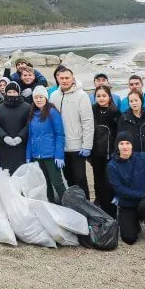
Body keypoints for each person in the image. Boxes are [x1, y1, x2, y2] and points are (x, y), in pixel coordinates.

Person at [107, 134, 145, 248]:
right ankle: (135, 222)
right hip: (127, 204)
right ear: (117, 146)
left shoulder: (144, 159)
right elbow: (120, 191)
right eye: (121, 143)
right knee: (129, 239)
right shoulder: (112, 166)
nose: (125, 146)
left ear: (132, 145)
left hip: (143, 203)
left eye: (128, 143)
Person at [48, 66, 95, 198]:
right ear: (58, 78)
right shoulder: (54, 96)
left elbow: (88, 122)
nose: (64, 80)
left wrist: (87, 145)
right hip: (61, 146)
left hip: (77, 146)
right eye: (61, 78)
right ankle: (75, 205)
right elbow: (50, 121)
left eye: (67, 78)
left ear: (72, 78)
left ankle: (86, 205)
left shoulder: (82, 96)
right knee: (68, 179)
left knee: (80, 179)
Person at [26, 86, 66, 203]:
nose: (38, 100)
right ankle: (51, 204)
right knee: (44, 182)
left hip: (50, 155)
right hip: (37, 155)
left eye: (41, 97)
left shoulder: (52, 112)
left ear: (46, 98)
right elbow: (30, 136)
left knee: (57, 182)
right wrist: (28, 155)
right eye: (36, 97)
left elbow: (60, 135)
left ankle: (69, 206)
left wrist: (59, 155)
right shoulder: (32, 114)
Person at [90, 85, 121, 217]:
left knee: (108, 182)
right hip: (96, 152)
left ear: (109, 97)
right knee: (97, 179)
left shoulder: (115, 112)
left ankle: (111, 209)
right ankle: (99, 204)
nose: (101, 98)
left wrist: (116, 151)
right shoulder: (92, 110)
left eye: (104, 96)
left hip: (110, 152)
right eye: (98, 96)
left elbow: (120, 133)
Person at [0, 80, 31, 172]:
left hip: (22, 147)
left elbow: (29, 124)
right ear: (5, 93)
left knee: (21, 173)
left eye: (14, 92)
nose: (12, 94)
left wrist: (21, 137)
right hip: (4, 147)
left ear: (18, 92)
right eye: (9, 92)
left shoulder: (27, 107)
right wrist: (4, 137)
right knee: (6, 174)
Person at [117, 90, 145, 155]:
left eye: (136, 100)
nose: (134, 103)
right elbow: (120, 138)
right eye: (131, 101)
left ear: (141, 101)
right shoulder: (124, 118)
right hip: (131, 155)